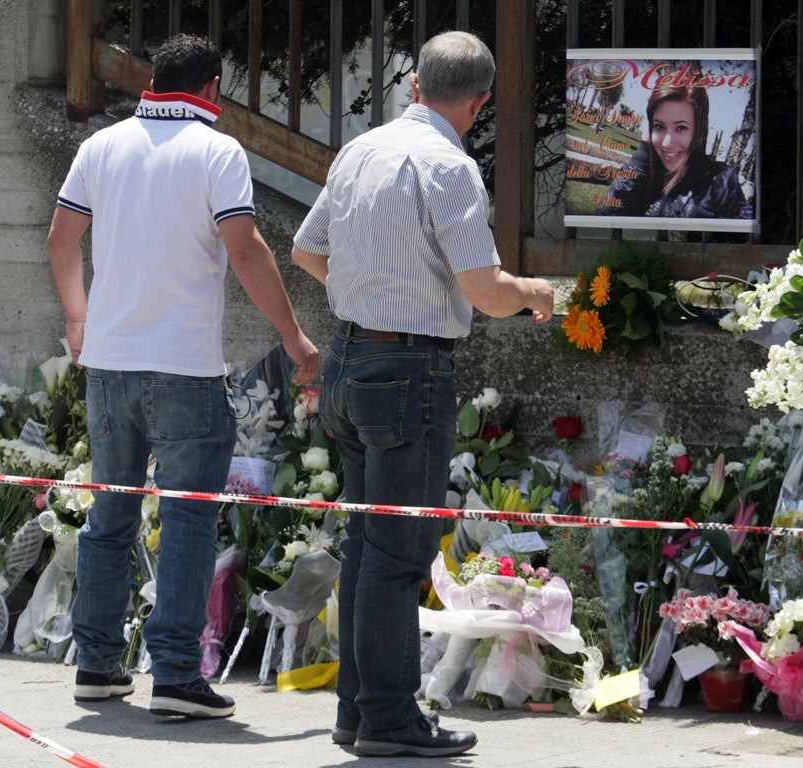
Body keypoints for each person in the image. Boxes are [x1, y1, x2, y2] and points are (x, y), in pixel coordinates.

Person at [290, 30, 554, 758]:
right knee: (398, 554)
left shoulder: (360, 151)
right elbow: (486, 291)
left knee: (365, 544)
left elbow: (306, 251)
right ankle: (388, 719)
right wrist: (534, 293)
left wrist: (369, 295)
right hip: (408, 374)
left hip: (347, 358)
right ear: (480, 103)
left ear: (413, 86)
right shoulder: (449, 166)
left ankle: (358, 712)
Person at [47, 33, 318, 719]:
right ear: (213, 89)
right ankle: (174, 675)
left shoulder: (100, 146)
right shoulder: (216, 151)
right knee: (189, 519)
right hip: (185, 369)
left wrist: (79, 320)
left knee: (109, 517)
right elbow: (247, 250)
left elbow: (60, 238)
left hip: (108, 365)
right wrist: (293, 337)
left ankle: (98, 666)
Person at [596, 85, 748, 218]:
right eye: (659, 126)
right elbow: (605, 222)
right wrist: (641, 159)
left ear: (699, 131)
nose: (667, 143)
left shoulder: (720, 181)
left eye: (681, 128)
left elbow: (740, 244)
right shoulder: (641, 176)